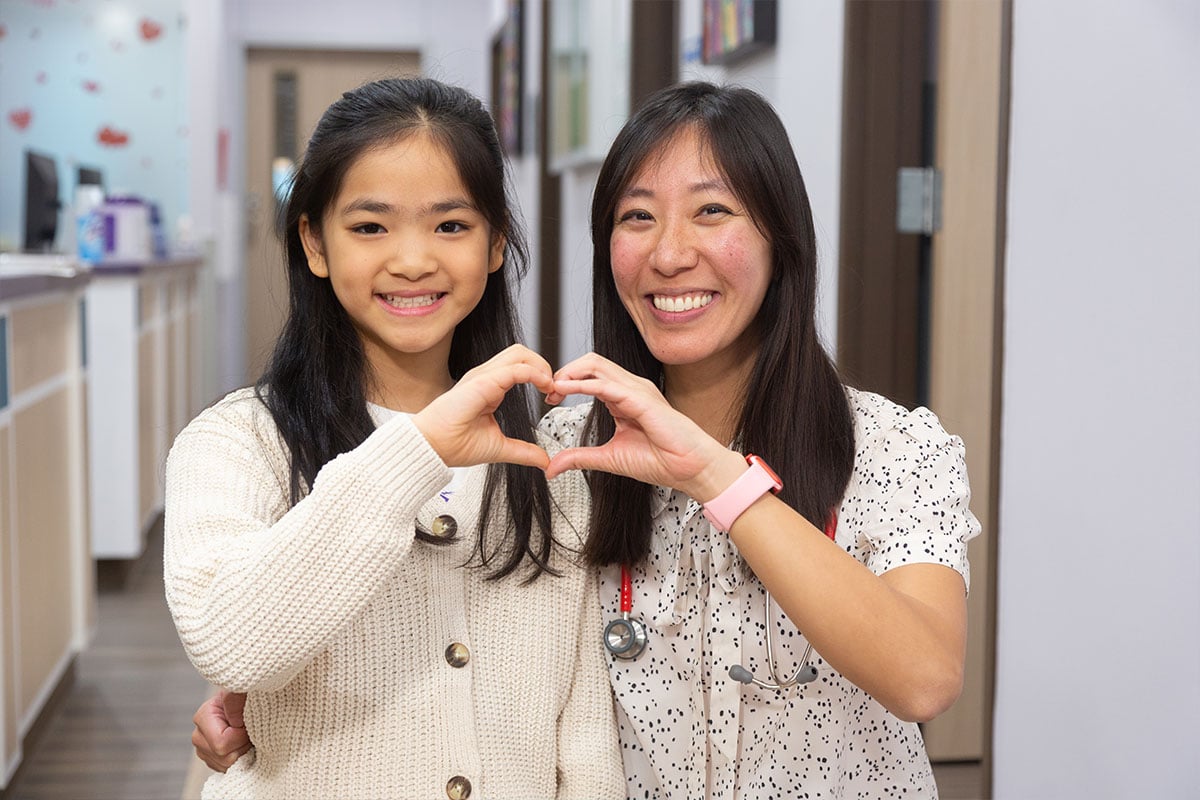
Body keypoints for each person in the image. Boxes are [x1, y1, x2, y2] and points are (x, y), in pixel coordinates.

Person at [193, 81, 981, 798]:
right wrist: (270, 683)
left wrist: (717, 477)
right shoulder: (561, 452)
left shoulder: (890, 447)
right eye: (638, 216)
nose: (671, 253)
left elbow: (922, 678)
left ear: (782, 239)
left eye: (713, 210)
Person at [163, 76, 623, 799]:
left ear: (497, 242)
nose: (412, 260)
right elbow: (231, 644)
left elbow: (585, 733)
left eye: (450, 225)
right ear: (313, 241)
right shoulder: (237, 441)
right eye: (370, 227)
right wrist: (420, 447)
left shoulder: (550, 460)